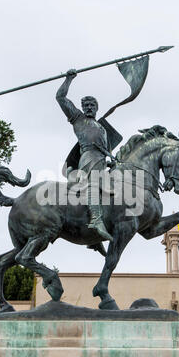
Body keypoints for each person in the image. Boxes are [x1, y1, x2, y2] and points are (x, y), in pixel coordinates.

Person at [56, 69, 113, 242]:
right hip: (88, 157)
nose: (88, 108)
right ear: (82, 108)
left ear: (96, 108)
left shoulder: (102, 128)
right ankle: (95, 219)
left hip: (102, 160)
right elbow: (60, 98)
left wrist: (111, 162)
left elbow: (106, 150)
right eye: (86, 105)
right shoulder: (78, 119)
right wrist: (68, 79)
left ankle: (96, 240)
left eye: (92, 105)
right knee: (92, 183)